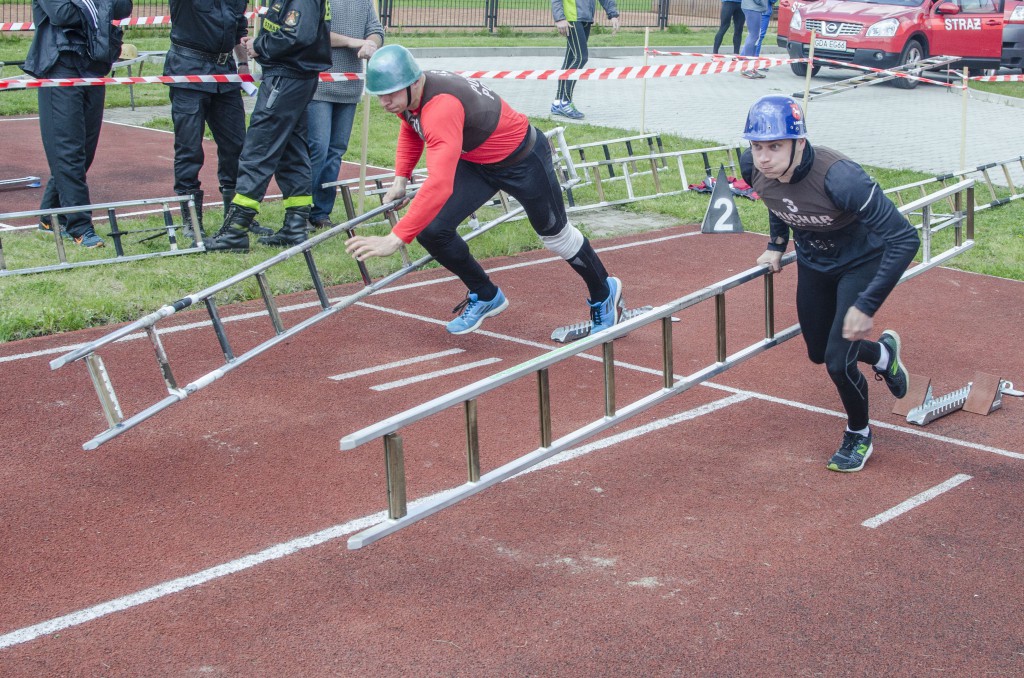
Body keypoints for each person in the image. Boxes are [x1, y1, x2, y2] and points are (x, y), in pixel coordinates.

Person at [346, 45, 625, 337]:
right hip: (478, 162)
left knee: (557, 237)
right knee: (432, 229)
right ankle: (486, 294)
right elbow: (411, 127)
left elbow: (439, 183)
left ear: (414, 82)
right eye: (379, 94)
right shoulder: (410, 95)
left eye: (390, 94)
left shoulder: (440, 106)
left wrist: (396, 237)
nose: (384, 102)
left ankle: (605, 293)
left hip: (523, 160)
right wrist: (400, 178)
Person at [739, 95, 920, 473]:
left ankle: (860, 434)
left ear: (799, 143)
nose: (764, 157)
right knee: (819, 352)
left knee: (838, 364)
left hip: (860, 261)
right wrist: (776, 245)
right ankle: (884, 355)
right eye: (758, 146)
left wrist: (865, 306)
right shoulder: (750, 166)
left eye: (775, 146)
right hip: (814, 261)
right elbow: (777, 201)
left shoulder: (841, 177)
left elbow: (905, 239)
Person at [203, 0, 331, 252]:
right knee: (292, 151)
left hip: (286, 78)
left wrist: (259, 46)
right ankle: (295, 226)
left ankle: (235, 231)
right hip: (294, 77)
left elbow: (297, 34)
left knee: (258, 150)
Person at [24, 0, 134, 248]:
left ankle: (49, 217)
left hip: (94, 64)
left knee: (84, 151)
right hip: (60, 67)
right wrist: (100, 6)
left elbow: (123, 8)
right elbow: (62, 14)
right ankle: (80, 226)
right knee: (68, 152)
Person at [164, 0, 271, 240]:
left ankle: (236, 217)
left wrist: (243, 63)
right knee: (189, 149)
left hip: (225, 73)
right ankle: (191, 221)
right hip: (187, 71)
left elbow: (238, 31)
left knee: (236, 146)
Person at [306, 0, 384, 232]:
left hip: (349, 88)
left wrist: (371, 43)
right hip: (319, 85)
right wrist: (353, 41)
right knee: (317, 149)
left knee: (336, 152)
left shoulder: (363, 2)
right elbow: (312, 31)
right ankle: (300, 211)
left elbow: (376, 30)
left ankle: (321, 212)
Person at [549, 0, 619, 121]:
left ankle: (557, 102)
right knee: (581, 57)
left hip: (586, 18)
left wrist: (612, 14)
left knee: (571, 58)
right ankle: (565, 102)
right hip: (571, 18)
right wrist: (559, 18)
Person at [738, 0, 770, 78]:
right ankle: (747, 68)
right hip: (753, 8)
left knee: (755, 36)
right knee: (753, 35)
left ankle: (751, 67)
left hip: (754, 7)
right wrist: (763, 3)